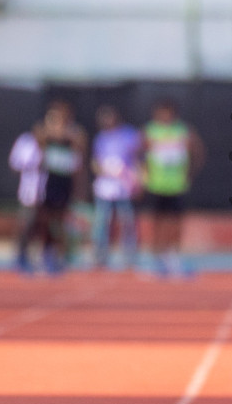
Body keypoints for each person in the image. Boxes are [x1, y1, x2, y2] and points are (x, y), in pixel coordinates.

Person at [138, 100, 204, 277]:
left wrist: (189, 173)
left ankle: (173, 257)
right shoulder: (150, 131)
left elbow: (197, 152)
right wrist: (143, 175)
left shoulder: (183, 131)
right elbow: (139, 154)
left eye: (168, 113)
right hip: (156, 184)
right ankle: (157, 259)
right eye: (161, 113)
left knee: (175, 222)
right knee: (158, 222)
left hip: (176, 185)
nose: (165, 117)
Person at [24, 100, 86, 275]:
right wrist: (52, 126)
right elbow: (39, 137)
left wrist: (80, 187)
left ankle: (60, 257)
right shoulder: (46, 132)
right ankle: (43, 254)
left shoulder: (74, 133)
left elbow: (79, 145)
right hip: (48, 181)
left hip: (65, 181)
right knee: (43, 221)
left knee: (61, 221)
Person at [90, 105, 141, 270]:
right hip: (104, 188)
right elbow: (95, 162)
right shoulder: (100, 138)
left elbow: (137, 158)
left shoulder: (129, 135)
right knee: (101, 223)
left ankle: (129, 257)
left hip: (124, 188)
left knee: (127, 221)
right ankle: (100, 256)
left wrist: (135, 179)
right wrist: (103, 170)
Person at [8, 127, 45, 270]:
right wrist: (29, 166)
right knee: (26, 224)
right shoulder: (26, 143)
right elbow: (14, 164)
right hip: (28, 193)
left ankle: (39, 257)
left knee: (42, 227)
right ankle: (21, 256)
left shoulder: (52, 144)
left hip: (47, 194)